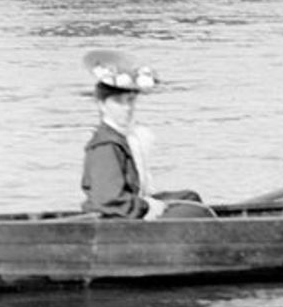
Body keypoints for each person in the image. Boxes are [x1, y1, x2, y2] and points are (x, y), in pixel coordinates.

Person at [80, 49, 212, 220]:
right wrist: (146, 207)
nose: (127, 108)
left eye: (130, 101)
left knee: (190, 198)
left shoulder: (122, 136)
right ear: (102, 105)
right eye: (119, 102)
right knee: (193, 213)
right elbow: (108, 199)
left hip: (127, 210)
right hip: (115, 221)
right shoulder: (106, 145)